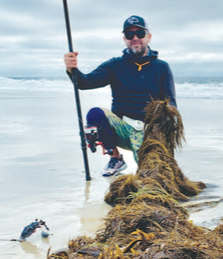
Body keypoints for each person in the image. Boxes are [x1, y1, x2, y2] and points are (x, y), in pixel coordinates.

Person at [64, 15, 177, 176]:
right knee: (95, 114)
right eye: (130, 35)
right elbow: (85, 83)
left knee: (150, 176)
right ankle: (116, 158)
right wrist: (72, 69)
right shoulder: (114, 65)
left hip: (149, 132)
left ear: (149, 37)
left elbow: (170, 103)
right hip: (121, 128)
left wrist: (163, 135)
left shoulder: (162, 67)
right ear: (124, 38)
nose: (135, 38)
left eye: (140, 33)